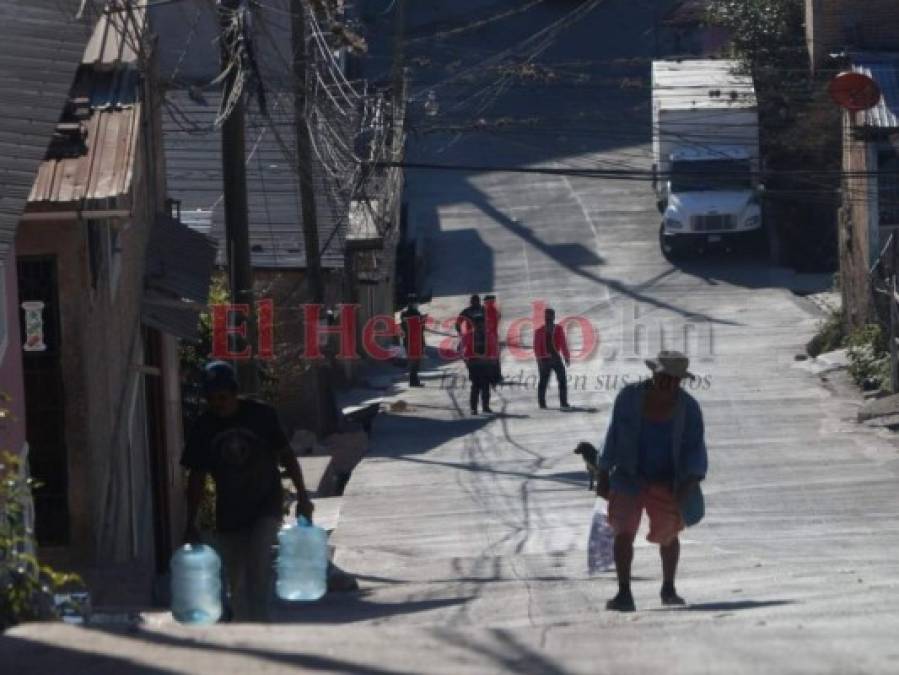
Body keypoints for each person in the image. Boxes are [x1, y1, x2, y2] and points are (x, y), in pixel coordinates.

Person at [182, 361, 314, 622]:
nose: (217, 404)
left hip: (265, 505)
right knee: (236, 582)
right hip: (229, 514)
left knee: (257, 567)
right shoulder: (203, 427)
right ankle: (244, 631)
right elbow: (196, 476)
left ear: (234, 393)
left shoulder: (260, 415)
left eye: (221, 397)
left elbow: (286, 456)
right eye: (211, 399)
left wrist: (302, 496)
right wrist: (190, 520)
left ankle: (261, 628)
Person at [596, 350, 708, 612]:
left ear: (681, 381)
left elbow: (695, 453)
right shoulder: (628, 398)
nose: (668, 383)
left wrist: (686, 487)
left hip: (667, 481)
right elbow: (611, 437)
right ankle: (624, 593)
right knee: (622, 533)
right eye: (663, 376)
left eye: (674, 379)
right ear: (653, 373)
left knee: (668, 535)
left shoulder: (688, 409)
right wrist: (602, 474)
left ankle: (668, 588)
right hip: (627, 476)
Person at [456, 295, 492, 415]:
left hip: (485, 362)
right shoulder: (467, 312)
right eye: (478, 323)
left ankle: (485, 406)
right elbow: (458, 322)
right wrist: (460, 332)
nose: (480, 325)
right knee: (476, 385)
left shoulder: (483, 312)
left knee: (486, 384)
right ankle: (474, 408)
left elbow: (492, 348)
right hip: (474, 362)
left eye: (482, 323)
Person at [533, 307, 570, 409]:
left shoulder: (558, 329)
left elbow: (563, 344)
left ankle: (563, 402)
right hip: (544, 360)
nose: (548, 317)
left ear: (553, 317)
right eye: (547, 315)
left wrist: (566, 356)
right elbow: (536, 347)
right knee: (543, 382)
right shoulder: (539, 331)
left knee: (562, 380)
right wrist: (539, 359)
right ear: (545, 317)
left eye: (550, 315)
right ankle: (542, 403)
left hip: (556, 358)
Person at [400, 294, 426, 387]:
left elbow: (421, 328)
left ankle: (414, 380)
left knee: (414, 361)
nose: (415, 304)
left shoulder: (408, 313)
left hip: (411, 340)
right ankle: (413, 381)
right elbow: (420, 328)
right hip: (412, 340)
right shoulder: (412, 313)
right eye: (414, 302)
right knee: (414, 361)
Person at [483, 294, 502, 387]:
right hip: (490, 336)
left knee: (492, 357)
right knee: (493, 357)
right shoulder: (490, 310)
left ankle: (494, 376)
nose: (494, 302)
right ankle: (495, 376)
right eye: (492, 301)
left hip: (491, 336)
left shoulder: (490, 310)